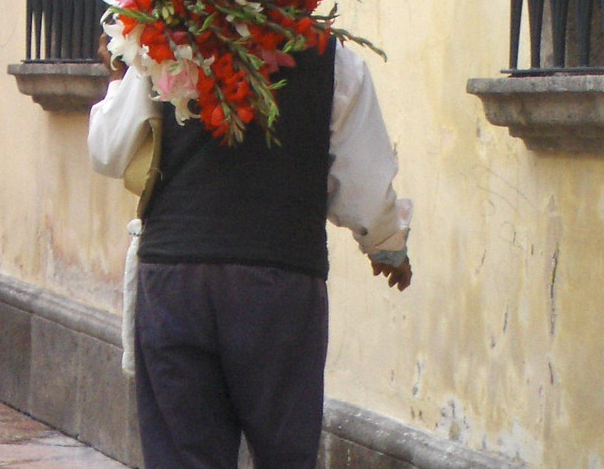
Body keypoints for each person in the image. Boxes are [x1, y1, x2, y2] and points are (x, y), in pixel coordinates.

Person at [88, 33, 412, 469]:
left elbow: (108, 150)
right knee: (284, 455)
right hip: (278, 281)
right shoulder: (331, 61)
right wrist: (386, 245)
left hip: (175, 279)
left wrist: (120, 72)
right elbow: (364, 185)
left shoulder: (161, 46)